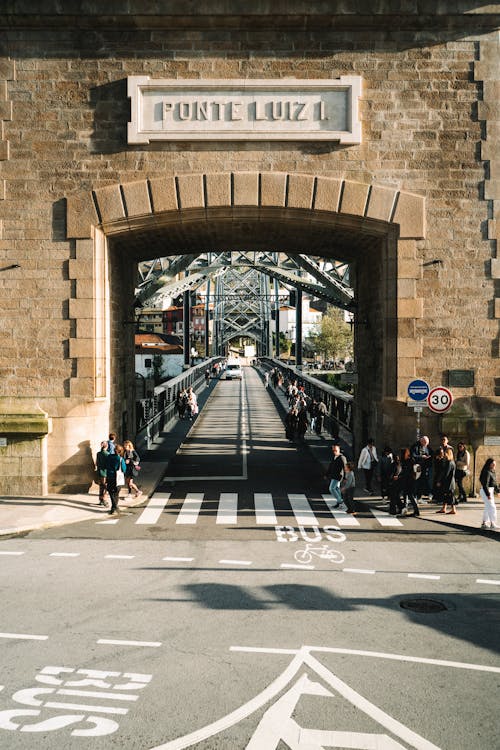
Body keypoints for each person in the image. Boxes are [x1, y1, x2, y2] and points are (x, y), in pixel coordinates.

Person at [479, 458, 499, 530]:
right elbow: (485, 485)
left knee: (488, 507)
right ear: (489, 464)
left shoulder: (492, 471)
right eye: (493, 464)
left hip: (490, 490)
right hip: (486, 491)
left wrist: (498, 491)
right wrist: (488, 495)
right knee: (492, 507)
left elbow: (494, 483)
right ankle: (492, 523)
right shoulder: (486, 472)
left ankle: (484, 523)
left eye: (495, 464)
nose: (494, 465)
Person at [106, 445, 126, 515]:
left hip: (110, 476)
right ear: (120, 451)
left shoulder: (109, 457)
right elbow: (124, 469)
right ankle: (115, 506)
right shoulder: (120, 459)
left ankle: (113, 507)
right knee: (116, 493)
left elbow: (106, 466)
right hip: (118, 478)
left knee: (111, 492)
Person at [325, 443, 347, 508]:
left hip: (338, 476)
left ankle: (340, 500)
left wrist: (345, 477)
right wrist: (327, 474)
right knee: (337, 489)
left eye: (336, 450)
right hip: (333, 475)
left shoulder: (342, 457)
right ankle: (339, 504)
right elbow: (330, 466)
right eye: (333, 450)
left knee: (331, 488)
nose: (334, 452)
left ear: (339, 450)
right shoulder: (334, 457)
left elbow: (345, 467)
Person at [411, 435, 433, 500]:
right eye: (425, 444)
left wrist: (428, 456)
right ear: (422, 441)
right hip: (417, 466)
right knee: (416, 481)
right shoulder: (415, 446)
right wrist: (421, 457)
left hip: (424, 466)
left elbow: (431, 453)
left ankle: (419, 496)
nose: (425, 446)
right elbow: (413, 455)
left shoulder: (426, 446)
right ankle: (415, 496)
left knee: (422, 481)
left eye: (426, 444)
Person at [399, 447, 420, 517]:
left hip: (410, 481)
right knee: (405, 495)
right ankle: (405, 509)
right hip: (405, 480)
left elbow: (415, 470)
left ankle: (416, 511)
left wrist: (414, 477)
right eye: (407, 452)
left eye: (408, 452)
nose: (408, 453)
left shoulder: (411, 460)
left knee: (410, 495)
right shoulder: (403, 460)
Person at [436, 447, 456, 514]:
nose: (444, 454)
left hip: (449, 482)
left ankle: (453, 509)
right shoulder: (452, 462)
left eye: (445, 453)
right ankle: (444, 508)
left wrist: (439, 481)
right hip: (450, 482)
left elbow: (446, 474)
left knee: (450, 496)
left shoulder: (449, 463)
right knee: (446, 495)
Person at [95, 440, 109, 507]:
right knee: (106, 487)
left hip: (99, 471)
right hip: (105, 472)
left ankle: (100, 500)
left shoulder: (98, 453)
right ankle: (104, 500)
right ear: (107, 446)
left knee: (101, 487)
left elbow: (97, 463)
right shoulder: (107, 454)